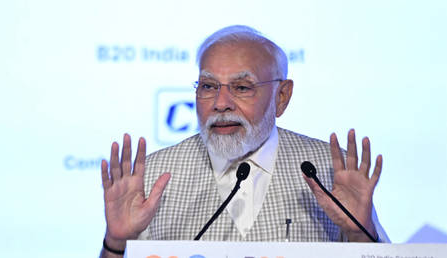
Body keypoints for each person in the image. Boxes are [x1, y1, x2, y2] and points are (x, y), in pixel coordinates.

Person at [99, 25, 389, 257]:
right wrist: (116, 242)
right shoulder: (153, 176)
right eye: (209, 86)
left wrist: (360, 235)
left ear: (282, 97)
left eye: (241, 87)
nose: (221, 103)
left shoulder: (326, 169)